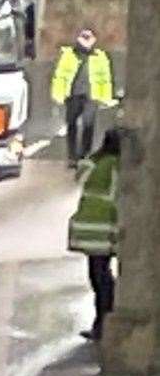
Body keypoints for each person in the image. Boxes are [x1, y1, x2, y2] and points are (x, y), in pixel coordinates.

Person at [68, 127, 120, 341]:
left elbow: (79, 175)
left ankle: (102, 323)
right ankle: (103, 322)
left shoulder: (97, 163)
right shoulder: (119, 166)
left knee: (99, 278)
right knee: (102, 276)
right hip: (107, 228)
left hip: (95, 230)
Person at [51, 28, 115, 168]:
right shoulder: (69, 55)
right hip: (73, 95)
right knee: (72, 125)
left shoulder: (100, 56)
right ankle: (72, 157)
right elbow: (60, 76)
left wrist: (106, 98)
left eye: (89, 37)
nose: (86, 41)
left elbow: (105, 79)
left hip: (91, 96)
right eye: (83, 37)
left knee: (88, 125)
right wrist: (58, 94)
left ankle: (84, 155)